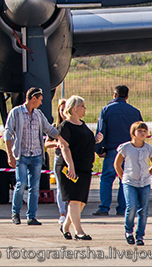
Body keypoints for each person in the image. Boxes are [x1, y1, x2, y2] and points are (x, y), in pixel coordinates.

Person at [4, 87, 59, 225]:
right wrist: (10, 155)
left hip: (36, 156)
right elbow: (7, 133)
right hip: (21, 156)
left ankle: (31, 216)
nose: (41, 103)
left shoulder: (39, 114)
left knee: (35, 188)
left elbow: (49, 129)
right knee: (21, 184)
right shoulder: (16, 113)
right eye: (40, 100)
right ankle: (15, 213)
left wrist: (63, 137)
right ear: (33, 98)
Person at [93, 85, 142, 216]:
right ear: (127, 96)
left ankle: (104, 208)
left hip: (112, 151)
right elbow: (141, 131)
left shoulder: (106, 110)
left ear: (114, 95)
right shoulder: (135, 112)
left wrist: (99, 149)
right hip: (130, 151)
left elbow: (100, 132)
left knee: (107, 179)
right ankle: (122, 209)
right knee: (125, 179)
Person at [56, 95, 99, 240]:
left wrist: (96, 141)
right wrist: (70, 166)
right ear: (74, 108)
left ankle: (65, 226)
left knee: (81, 202)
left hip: (84, 167)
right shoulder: (65, 126)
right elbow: (64, 147)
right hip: (69, 168)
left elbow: (83, 143)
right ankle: (79, 231)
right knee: (74, 200)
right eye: (82, 106)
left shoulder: (83, 124)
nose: (84, 109)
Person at [114, 121, 152, 246]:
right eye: (139, 130)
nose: (142, 133)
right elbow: (117, 164)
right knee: (131, 206)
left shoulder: (149, 148)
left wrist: (147, 174)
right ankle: (128, 231)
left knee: (143, 210)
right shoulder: (126, 147)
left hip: (144, 183)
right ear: (133, 133)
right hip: (129, 182)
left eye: (144, 131)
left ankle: (140, 235)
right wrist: (123, 177)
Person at [46, 97, 69, 232]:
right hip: (59, 159)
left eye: (65, 110)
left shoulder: (74, 124)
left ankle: (72, 211)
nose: (62, 112)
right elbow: (47, 143)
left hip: (72, 159)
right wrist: (56, 143)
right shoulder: (55, 127)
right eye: (61, 110)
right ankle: (62, 213)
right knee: (60, 187)